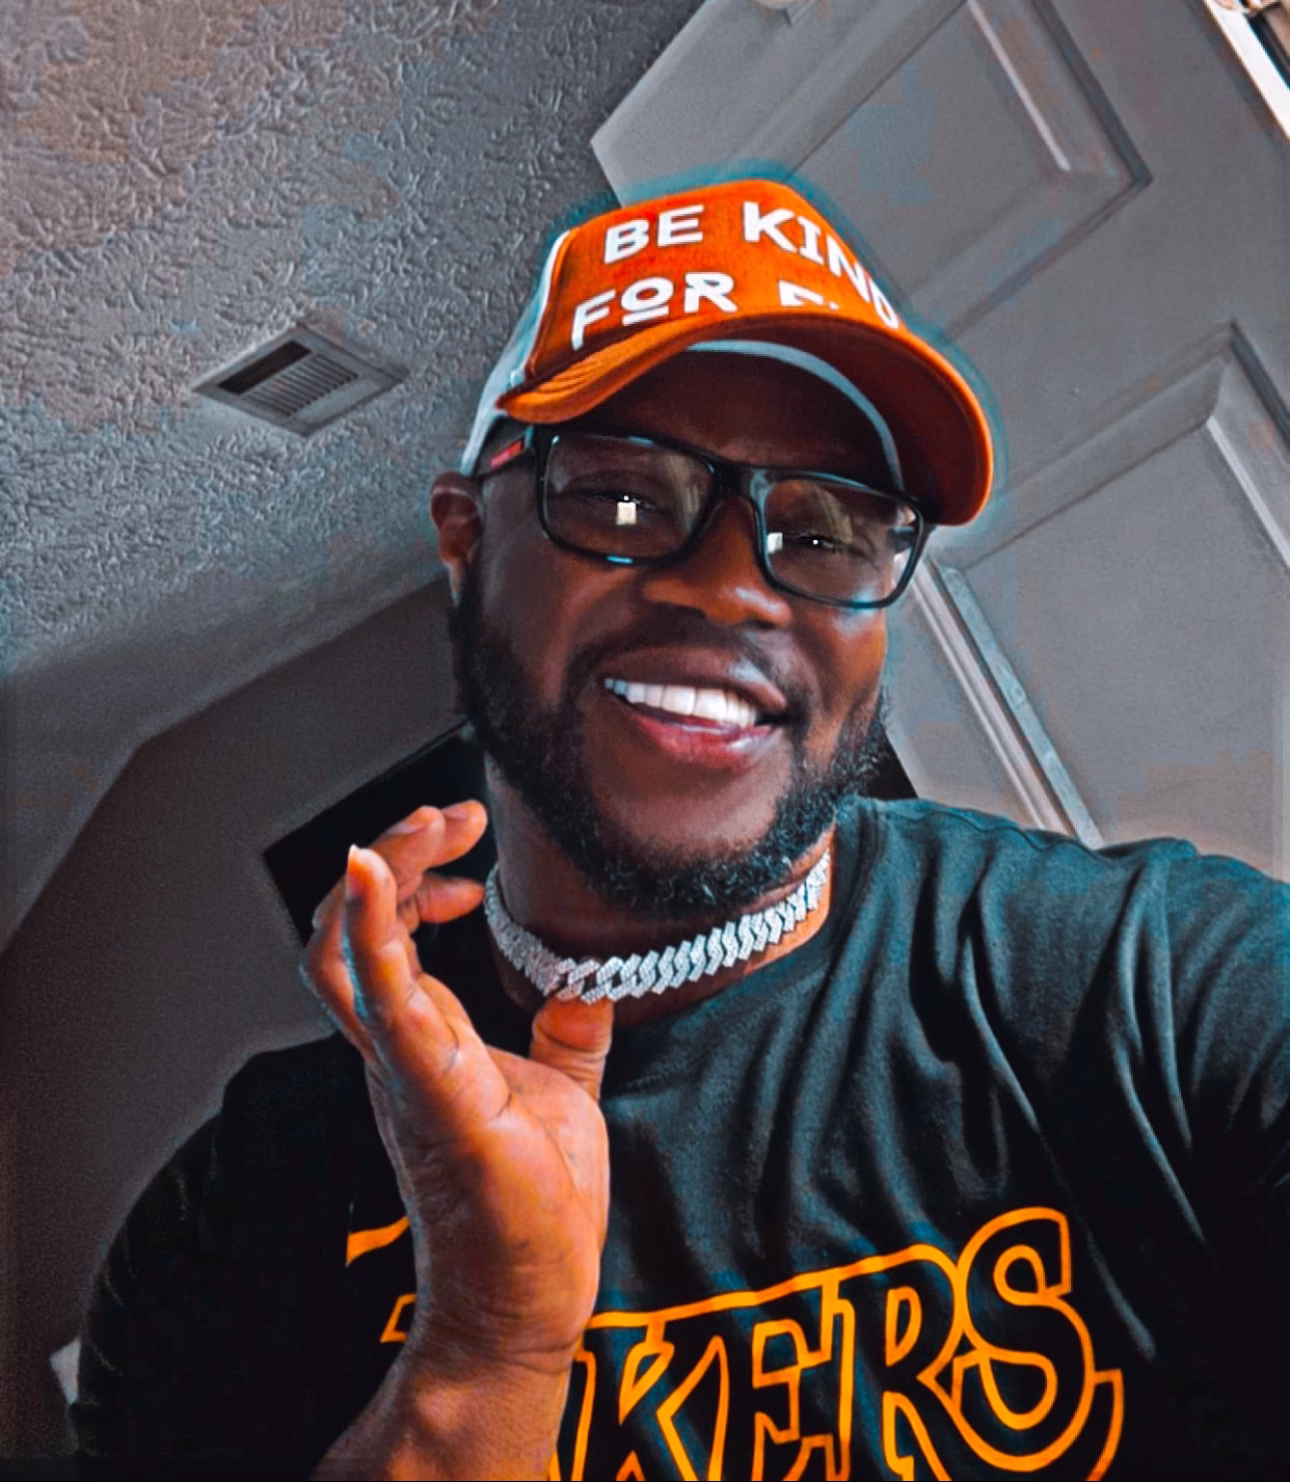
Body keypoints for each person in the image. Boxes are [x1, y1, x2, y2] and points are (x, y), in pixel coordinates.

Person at [72, 178, 1288, 1480]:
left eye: (825, 526)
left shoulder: (1151, 987)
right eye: (622, 496)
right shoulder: (237, 1223)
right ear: (464, 543)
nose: (731, 585)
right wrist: (486, 1348)